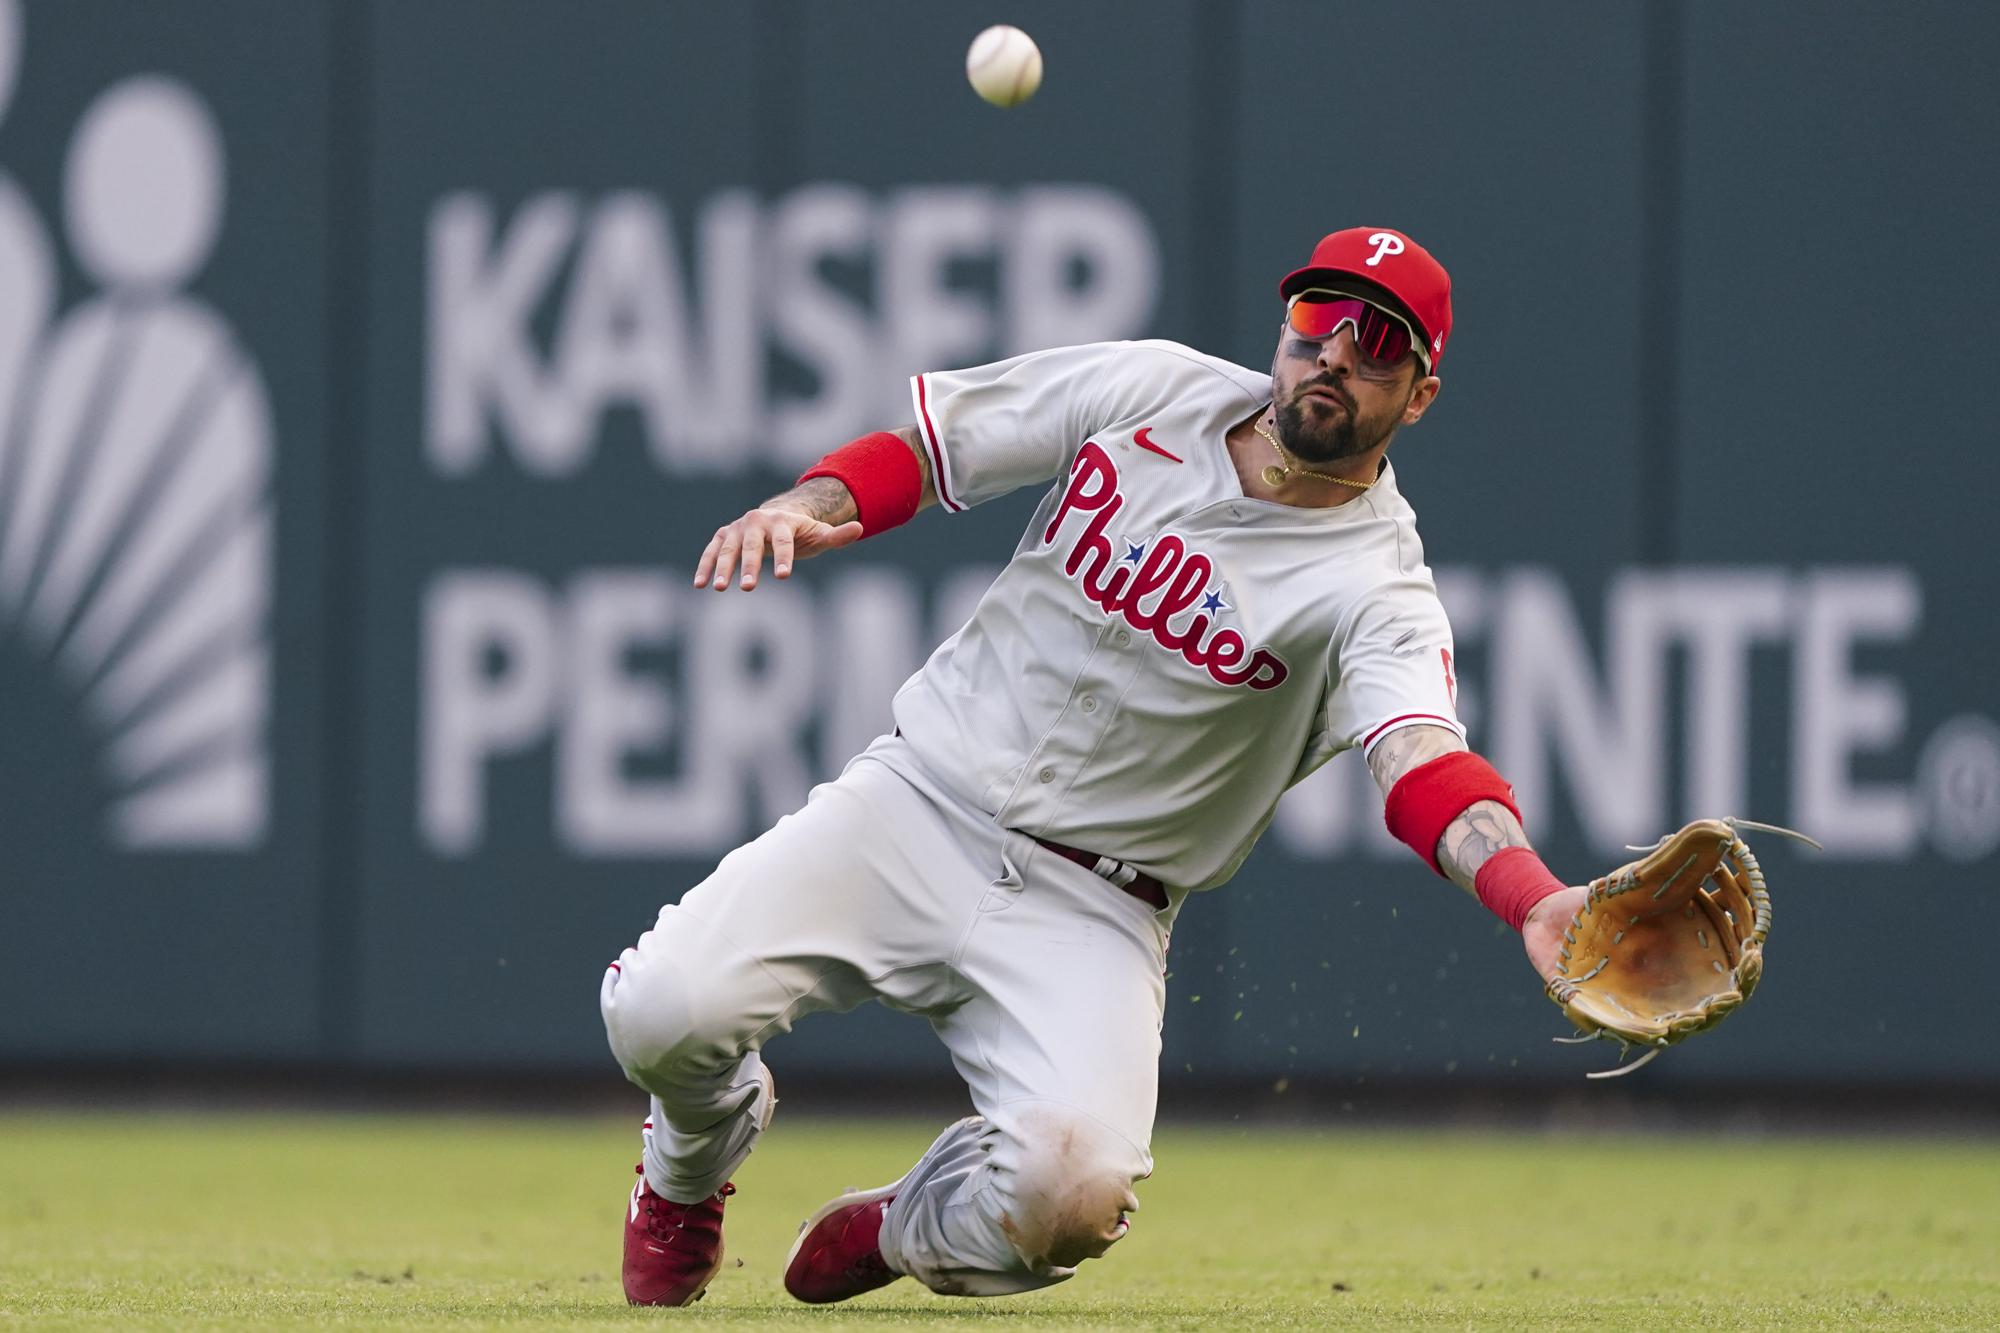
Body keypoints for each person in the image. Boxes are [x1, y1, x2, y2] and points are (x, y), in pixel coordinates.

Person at [599, 226, 1589, 1307]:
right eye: (1316, 321)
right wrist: (805, 502)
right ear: (1284, 328)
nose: (1333, 357)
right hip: (920, 800)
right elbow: (935, 448)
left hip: (1093, 905)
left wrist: (1529, 899)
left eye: (1377, 342)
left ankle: (903, 1223)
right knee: (659, 1009)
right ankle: (686, 1168)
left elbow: (1415, 761)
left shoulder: (1376, 585)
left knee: (1070, 1198)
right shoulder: (1150, 389)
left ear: (1418, 394)